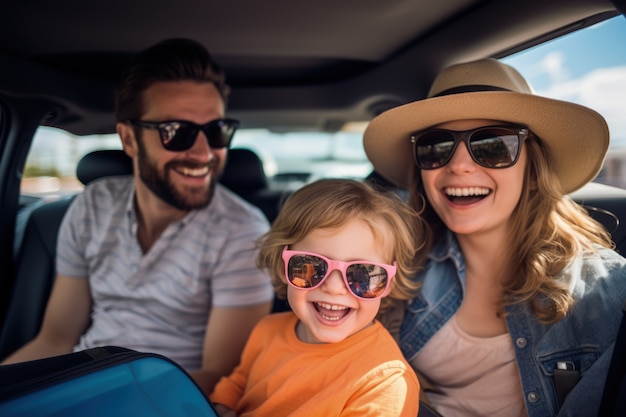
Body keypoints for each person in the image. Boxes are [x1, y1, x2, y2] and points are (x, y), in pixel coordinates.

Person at [0, 38, 274, 396]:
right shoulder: (92, 206)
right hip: (78, 385)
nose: (204, 152)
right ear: (129, 140)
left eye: (217, 131)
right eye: (176, 132)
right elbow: (55, 339)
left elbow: (220, 378)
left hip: (169, 396)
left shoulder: (243, 231)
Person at [363, 58, 626, 417]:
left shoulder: (608, 292)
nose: (458, 165)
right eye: (436, 147)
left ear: (533, 170)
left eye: (492, 145)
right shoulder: (396, 267)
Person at [209, 179, 426, 416]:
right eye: (311, 265)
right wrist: (222, 407)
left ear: (387, 284)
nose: (334, 287)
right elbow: (237, 383)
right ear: (284, 268)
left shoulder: (384, 383)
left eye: (362, 274)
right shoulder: (266, 331)